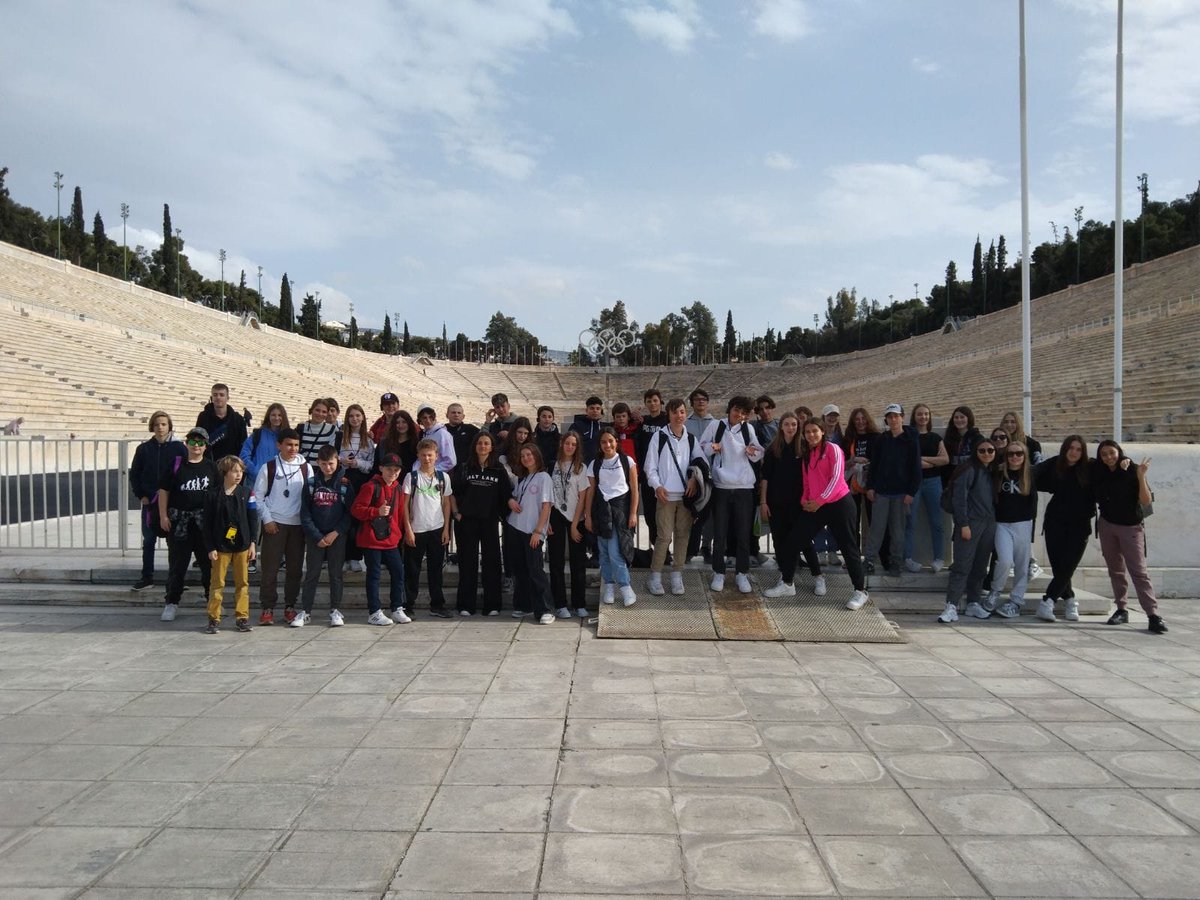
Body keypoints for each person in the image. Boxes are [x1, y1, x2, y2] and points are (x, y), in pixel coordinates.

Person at [794, 418, 869, 610]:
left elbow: (836, 478)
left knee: (848, 546)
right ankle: (816, 577)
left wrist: (819, 501)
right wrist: (805, 501)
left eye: (814, 431)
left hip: (838, 503)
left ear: (822, 432)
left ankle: (860, 591)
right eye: (808, 432)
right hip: (818, 505)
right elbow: (806, 482)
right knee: (799, 538)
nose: (811, 435)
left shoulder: (833, 449)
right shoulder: (807, 455)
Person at [1092, 440, 1165, 634]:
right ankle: (1121, 609)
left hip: (1131, 527)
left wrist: (1140, 476)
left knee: (1139, 571)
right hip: (1107, 525)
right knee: (1116, 570)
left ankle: (1153, 614)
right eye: (1104, 454)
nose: (1109, 457)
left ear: (1119, 452)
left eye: (1112, 453)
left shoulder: (1132, 469)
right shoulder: (1100, 472)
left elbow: (1146, 500)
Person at [700, 396, 763, 594]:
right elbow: (701, 447)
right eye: (737, 410)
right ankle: (718, 572)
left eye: (744, 413)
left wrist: (753, 451)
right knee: (720, 532)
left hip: (744, 486)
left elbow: (759, 451)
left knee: (743, 532)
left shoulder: (748, 429)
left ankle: (741, 573)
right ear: (730, 409)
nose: (740, 415)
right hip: (721, 485)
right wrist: (713, 447)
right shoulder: (715, 425)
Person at [158, 426, 218, 622]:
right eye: (193, 441)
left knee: (208, 566)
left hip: (203, 524)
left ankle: (212, 602)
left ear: (206, 446)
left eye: (200, 442)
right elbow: (164, 491)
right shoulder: (176, 465)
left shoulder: (211, 467)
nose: (196, 445)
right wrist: (163, 516)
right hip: (180, 523)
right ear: (186, 443)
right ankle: (171, 603)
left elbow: (217, 496)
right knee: (177, 566)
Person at [761, 413, 825, 598]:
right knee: (780, 542)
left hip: (799, 505)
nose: (791, 428)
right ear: (781, 426)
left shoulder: (804, 448)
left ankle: (818, 576)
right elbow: (765, 478)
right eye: (787, 424)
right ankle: (786, 579)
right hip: (776, 503)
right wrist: (763, 501)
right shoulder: (773, 449)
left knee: (804, 541)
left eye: (794, 425)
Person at [645, 398, 703, 597]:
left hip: (686, 497)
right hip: (666, 496)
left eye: (682, 412)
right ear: (668, 414)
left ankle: (677, 575)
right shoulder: (659, 437)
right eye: (675, 412)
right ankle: (655, 576)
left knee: (682, 536)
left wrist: (694, 479)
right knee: (663, 537)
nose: (679, 416)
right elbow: (650, 467)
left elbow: (700, 463)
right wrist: (657, 485)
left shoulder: (692, 439)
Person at [1034, 435, 1095, 623]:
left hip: (1080, 525)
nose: (1074, 452)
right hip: (1055, 523)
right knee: (1060, 567)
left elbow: (1113, 465)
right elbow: (1033, 473)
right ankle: (1070, 600)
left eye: (1078, 449)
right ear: (1065, 449)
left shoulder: (1090, 467)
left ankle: (1048, 601)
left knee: (1068, 565)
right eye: (1071, 448)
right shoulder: (1054, 465)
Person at [253, 428, 309, 625]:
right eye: (288, 444)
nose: (292, 449)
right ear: (279, 445)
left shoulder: (306, 468)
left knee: (294, 570)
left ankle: (290, 606)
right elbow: (257, 497)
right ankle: (267, 608)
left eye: (296, 445)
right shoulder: (268, 467)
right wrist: (267, 519)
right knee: (270, 569)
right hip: (274, 524)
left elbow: (309, 497)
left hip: (297, 526)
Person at [452, 431, 510, 616]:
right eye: (479, 443)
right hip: (466, 521)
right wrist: (456, 513)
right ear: (475, 446)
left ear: (492, 447)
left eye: (486, 443)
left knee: (491, 562)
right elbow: (452, 493)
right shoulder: (464, 467)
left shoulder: (499, 470)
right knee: (467, 562)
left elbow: (505, 495)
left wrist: (502, 515)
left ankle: (492, 605)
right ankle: (465, 605)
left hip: (489, 522)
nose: (483, 446)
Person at [296, 445, 353, 628]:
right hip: (316, 537)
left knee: (335, 575)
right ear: (318, 463)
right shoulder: (311, 483)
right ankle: (305, 611)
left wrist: (336, 533)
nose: (328, 467)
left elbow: (349, 514)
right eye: (324, 464)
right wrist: (316, 535)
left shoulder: (344, 484)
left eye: (331, 463)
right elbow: (305, 513)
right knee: (312, 574)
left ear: (337, 461)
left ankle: (335, 610)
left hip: (337, 536)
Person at [351, 452, 411, 625]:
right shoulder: (371, 486)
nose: (392, 473)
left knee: (398, 572)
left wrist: (399, 534)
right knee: (374, 575)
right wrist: (375, 512)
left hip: (390, 540)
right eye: (389, 469)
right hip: (371, 539)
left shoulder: (398, 488)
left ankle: (397, 608)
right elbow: (356, 509)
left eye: (396, 470)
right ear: (381, 469)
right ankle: (374, 611)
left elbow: (399, 515)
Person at [129, 410, 186, 592]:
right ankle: (147, 577)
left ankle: (175, 579)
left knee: (174, 542)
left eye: (163, 424)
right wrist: (141, 495)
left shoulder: (179, 448)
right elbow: (135, 474)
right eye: (157, 424)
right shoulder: (144, 449)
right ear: (152, 427)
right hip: (150, 502)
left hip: (173, 502)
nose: (160, 428)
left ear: (169, 426)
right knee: (149, 540)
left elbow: (184, 472)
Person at [983, 437, 1038, 620]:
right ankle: (995, 591)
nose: (1015, 457)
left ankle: (1016, 601)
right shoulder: (997, 474)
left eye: (1019, 453)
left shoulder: (1030, 475)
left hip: (1023, 523)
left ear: (1024, 456)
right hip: (1002, 524)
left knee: (1022, 565)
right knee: (1005, 561)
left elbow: (1034, 504)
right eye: (1011, 454)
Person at [863, 404, 921, 577]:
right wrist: (870, 487)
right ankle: (869, 560)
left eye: (896, 416)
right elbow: (874, 465)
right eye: (890, 416)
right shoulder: (882, 439)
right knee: (876, 529)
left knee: (897, 531)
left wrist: (911, 492)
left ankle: (896, 562)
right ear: (886, 419)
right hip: (882, 492)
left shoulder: (911, 440)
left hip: (901, 493)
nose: (893, 419)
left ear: (902, 417)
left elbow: (915, 468)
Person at [585, 428, 639, 606]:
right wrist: (588, 516)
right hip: (601, 511)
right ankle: (608, 585)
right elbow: (591, 491)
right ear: (599, 445)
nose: (607, 445)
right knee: (604, 552)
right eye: (603, 442)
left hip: (620, 511)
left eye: (610, 441)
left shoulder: (626, 461)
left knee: (616, 552)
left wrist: (633, 513)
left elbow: (634, 489)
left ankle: (625, 587)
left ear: (616, 441)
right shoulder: (595, 463)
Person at [203, 455, 257, 633]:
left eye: (241, 471)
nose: (238, 475)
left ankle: (242, 617)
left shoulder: (247, 493)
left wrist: (252, 543)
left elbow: (252, 519)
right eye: (235, 471)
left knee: (242, 583)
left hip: (242, 545)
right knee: (217, 583)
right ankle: (213, 618)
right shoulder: (212, 495)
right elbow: (207, 523)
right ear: (225, 473)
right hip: (221, 546)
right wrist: (210, 547)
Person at [947, 440, 998, 623]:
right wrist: (963, 524)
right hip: (971, 523)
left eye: (990, 450)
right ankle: (951, 605)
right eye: (982, 450)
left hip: (989, 524)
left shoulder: (993, 471)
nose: (986, 453)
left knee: (979, 566)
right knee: (962, 566)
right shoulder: (968, 470)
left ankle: (973, 603)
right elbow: (959, 499)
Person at [401, 438, 453, 618]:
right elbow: (404, 505)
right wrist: (408, 529)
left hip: (437, 528)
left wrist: (446, 528)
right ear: (418, 456)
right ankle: (407, 604)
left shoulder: (443, 477)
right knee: (412, 569)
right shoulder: (411, 476)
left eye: (430, 455)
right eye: (423, 455)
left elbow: (447, 504)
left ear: (436, 456)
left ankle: (437, 604)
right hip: (417, 529)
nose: (427, 458)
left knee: (436, 569)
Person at [505, 444, 555, 623]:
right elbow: (516, 498)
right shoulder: (523, 478)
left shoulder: (544, 478)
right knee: (520, 570)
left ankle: (545, 609)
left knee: (535, 570)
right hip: (516, 527)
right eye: (523, 455)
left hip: (531, 531)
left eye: (529, 454)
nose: (526, 458)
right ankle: (523, 605)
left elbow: (546, 506)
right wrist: (510, 500)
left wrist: (538, 531)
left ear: (537, 456)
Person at [548, 431, 590, 618]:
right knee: (556, 562)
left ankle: (579, 603)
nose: (570, 447)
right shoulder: (552, 465)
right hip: (556, 514)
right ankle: (560, 604)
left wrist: (574, 524)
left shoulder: (581, 468)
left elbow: (582, 498)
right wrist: (547, 520)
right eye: (567, 443)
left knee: (577, 563)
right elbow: (547, 495)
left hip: (576, 517)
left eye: (573, 444)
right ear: (561, 444)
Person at [904, 403, 949, 573]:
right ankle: (908, 557)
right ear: (914, 417)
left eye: (926, 414)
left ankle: (938, 558)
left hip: (933, 482)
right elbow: (906, 461)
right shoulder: (909, 437)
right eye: (919, 414)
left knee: (937, 522)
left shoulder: (935, 438)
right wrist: (931, 462)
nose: (923, 417)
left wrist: (922, 461)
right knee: (910, 521)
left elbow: (945, 459)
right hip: (913, 484)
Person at [336, 403, 375, 572]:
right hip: (343, 478)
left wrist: (357, 462)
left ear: (363, 418)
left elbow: (371, 465)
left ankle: (355, 557)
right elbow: (331, 457)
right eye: (351, 416)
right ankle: (342, 557)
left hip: (360, 481)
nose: (354, 419)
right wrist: (341, 461)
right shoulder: (339, 437)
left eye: (358, 416)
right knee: (342, 518)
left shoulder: (369, 440)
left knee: (358, 520)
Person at [842, 406, 880, 563]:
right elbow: (842, 464)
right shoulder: (849, 439)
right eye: (857, 419)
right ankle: (853, 557)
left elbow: (880, 461)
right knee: (853, 521)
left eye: (863, 418)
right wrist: (853, 461)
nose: (860, 422)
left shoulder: (876, 437)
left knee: (874, 521)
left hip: (871, 485)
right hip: (852, 486)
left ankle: (871, 557)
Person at [634, 389, 669, 554]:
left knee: (664, 515)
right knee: (649, 514)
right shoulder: (643, 421)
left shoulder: (668, 420)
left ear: (660, 402)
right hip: (647, 474)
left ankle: (665, 548)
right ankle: (658, 547)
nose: (652, 403)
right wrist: (632, 415)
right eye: (649, 401)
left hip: (664, 475)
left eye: (655, 400)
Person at [685, 389, 716, 562]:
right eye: (697, 400)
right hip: (692, 475)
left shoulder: (716, 423)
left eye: (704, 399)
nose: (701, 402)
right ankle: (690, 549)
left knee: (710, 515)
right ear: (692, 403)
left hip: (711, 475)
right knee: (692, 513)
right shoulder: (686, 424)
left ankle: (706, 546)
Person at [195, 383, 249, 462]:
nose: (218, 397)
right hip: (210, 464)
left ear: (227, 398)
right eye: (215, 395)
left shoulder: (238, 419)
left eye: (222, 395)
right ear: (211, 398)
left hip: (231, 465)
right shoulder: (203, 417)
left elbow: (243, 444)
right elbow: (198, 439)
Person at [374, 409, 419, 473]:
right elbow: (376, 465)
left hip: (408, 480)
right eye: (397, 422)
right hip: (388, 480)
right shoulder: (384, 443)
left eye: (404, 422)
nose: (401, 425)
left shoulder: (416, 443)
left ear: (409, 423)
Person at [416, 404, 456, 473]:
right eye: (424, 418)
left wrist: (432, 471)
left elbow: (450, 461)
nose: (428, 420)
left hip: (435, 477)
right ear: (420, 420)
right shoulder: (424, 434)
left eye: (431, 417)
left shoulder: (443, 434)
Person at [943, 406, 982, 475]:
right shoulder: (948, 438)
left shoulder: (977, 437)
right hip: (952, 477)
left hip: (972, 476)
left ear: (968, 419)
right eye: (956, 417)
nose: (959, 420)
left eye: (962, 417)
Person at [298, 398, 338, 463]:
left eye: (324, 412)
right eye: (317, 410)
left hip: (322, 470)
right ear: (311, 410)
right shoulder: (301, 427)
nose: (320, 414)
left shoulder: (333, 429)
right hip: (304, 468)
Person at [569, 396, 608, 464]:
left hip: (602, 466)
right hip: (581, 466)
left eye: (598, 408)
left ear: (601, 411)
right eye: (592, 408)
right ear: (586, 410)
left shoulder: (606, 427)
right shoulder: (576, 426)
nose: (595, 411)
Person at [498, 417, 534, 486]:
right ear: (514, 431)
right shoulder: (505, 449)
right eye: (520, 432)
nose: (522, 436)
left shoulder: (532, 448)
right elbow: (508, 475)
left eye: (526, 433)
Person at [445, 403, 480, 471]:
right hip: (446, 469)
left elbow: (484, 436)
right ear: (447, 415)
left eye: (459, 413)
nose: (456, 415)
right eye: (453, 412)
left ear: (463, 416)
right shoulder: (442, 430)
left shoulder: (471, 429)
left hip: (465, 469)